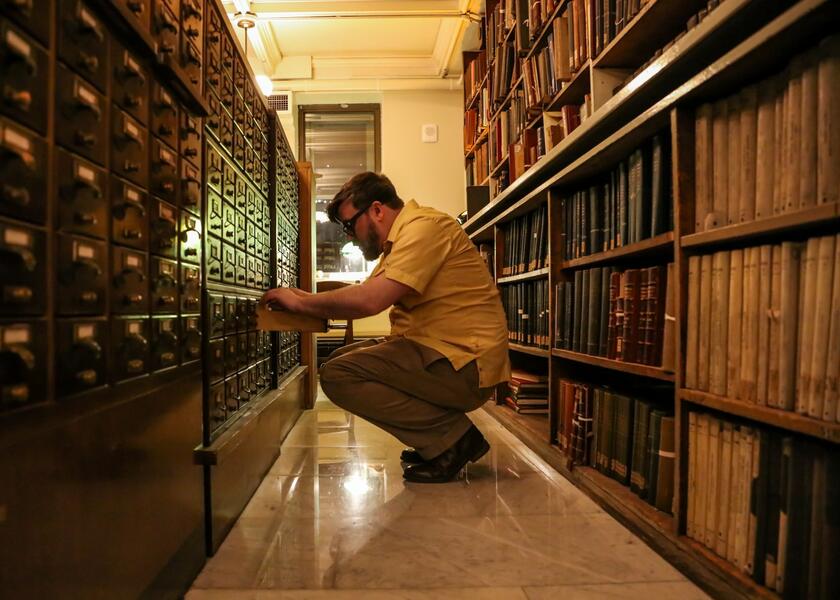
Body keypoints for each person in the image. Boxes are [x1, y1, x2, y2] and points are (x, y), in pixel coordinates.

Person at [261, 172, 510, 483]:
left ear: (377, 210)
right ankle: (438, 438)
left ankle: (452, 439)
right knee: (346, 356)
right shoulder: (399, 242)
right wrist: (304, 298)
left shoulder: (425, 228)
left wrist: (301, 303)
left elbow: (369, 301)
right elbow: (364, 292)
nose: (350, 236)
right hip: (447, 356)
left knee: (339, 375)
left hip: (466, 366)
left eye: (350, 225)